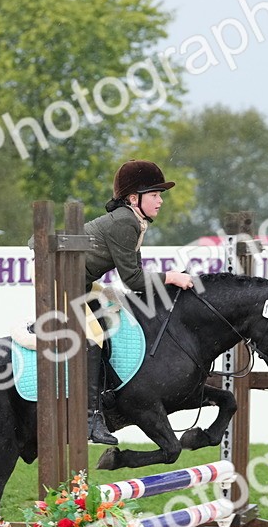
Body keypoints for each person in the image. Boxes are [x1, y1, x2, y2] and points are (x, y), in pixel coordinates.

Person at [81, 159, 195, 444]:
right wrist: (170, 277)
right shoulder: (124, 222)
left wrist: (171, 289)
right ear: (134, 198)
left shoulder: (135, 221)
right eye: (154, 195)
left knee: (113, 321)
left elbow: (139, 284)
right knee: (94, 336)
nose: (160, 201)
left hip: (79, 281)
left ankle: (104, 399)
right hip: (58, 279)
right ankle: (91, 418)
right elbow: (131, 280)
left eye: (160, 195)